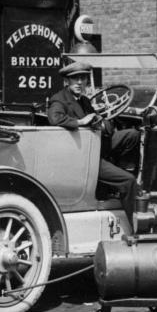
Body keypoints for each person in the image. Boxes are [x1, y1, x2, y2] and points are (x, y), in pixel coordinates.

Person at [47, 61, 139, 220]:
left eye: (83, 79)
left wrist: (102, 123)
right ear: (67, 81)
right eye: (75, 79)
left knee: (132, 135)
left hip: (95, 145)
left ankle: (115, 183)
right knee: (128, 181)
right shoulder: (59, 99)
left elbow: (102, 122)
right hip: (84, 156)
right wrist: (81, 122)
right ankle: (137, 224)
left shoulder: (84, 101)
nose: (79, 83)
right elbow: (54, 118)